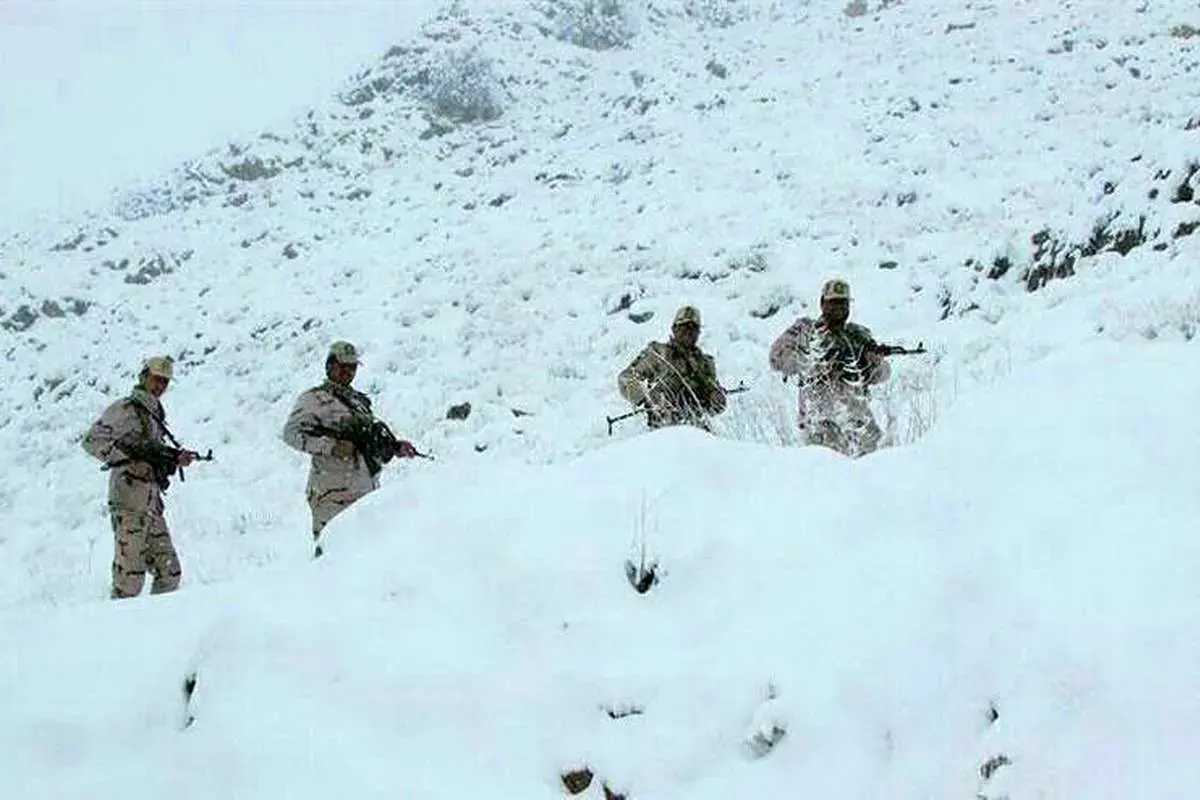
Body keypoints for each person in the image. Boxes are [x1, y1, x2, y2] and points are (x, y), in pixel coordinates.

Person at [282, 341, 419, 557]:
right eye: (342, 366)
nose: (348, 372)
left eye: (352, 367)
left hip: (365, 495)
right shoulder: (313, 399)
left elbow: (367, 438)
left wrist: (394, 447)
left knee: (363, 563)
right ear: (330, 366)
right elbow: (291, 434)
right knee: (330, 561)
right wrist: (331, 447)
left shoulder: (358, 402)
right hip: (332, 497)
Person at [81, 355, 195, 599]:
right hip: (129, 501)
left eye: (165, 382)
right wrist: (126, 458)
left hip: (150, 503)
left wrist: (173, 458)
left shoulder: (153, 414)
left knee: (169, 572)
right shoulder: (126, 408)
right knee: (129, 580)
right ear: (144, 377)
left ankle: (154, 627)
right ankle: (119, 633)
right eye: (156, 379)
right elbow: (92, 441)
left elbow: (151, 452)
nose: (160, 386)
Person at [768, 279, 891, 457]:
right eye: (832, 303)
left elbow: (884, 374)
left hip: (858, 419)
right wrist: (816, 363)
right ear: (822, 303)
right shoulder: (805, 330)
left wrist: (871, 364)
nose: (838, 308)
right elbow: (776, 356)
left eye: (843, 303)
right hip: (821, 420)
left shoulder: (857, 335)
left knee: (878, 465)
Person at [617, 305, 727, 430]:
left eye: (693, 328)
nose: (688, 331)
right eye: (684, 326)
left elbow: (713, 403)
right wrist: (648, 397)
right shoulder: (658, 353)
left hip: (697, 430)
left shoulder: (704, 363)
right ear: (674, 329)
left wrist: (717, 398)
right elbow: (625, 378)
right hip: (662, 431)